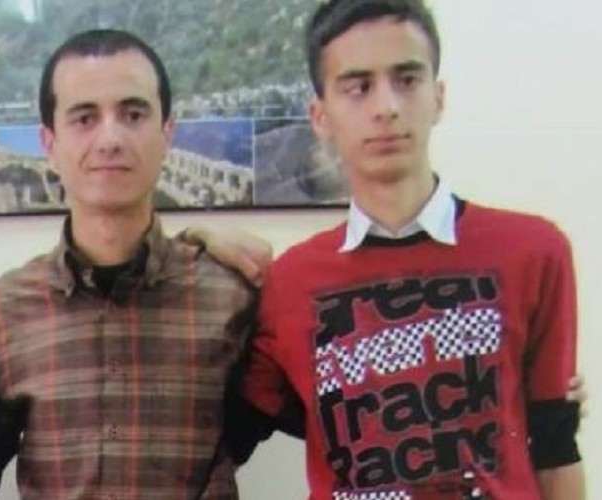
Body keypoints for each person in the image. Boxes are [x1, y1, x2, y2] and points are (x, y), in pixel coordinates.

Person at [240, 1, 585, 498]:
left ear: (437, 97)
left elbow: (556, 450)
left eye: (406, 79)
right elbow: (228, 431)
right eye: (358, 87)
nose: (386, 107)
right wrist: (200, 243)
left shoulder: (534, 252)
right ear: (320, 116)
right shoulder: (288, 283)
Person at [0, 28, 294, 500]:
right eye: (85, 117)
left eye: (133, 114)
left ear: (167, 133)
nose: (110, 138)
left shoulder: (232, 295)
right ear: (49, 143)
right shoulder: (6, 309)